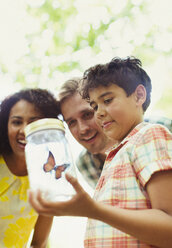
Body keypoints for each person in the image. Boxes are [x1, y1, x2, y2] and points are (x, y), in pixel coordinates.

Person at [29, 57, 172, 248]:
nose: (99, 113)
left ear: (138, 96)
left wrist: (93, 210)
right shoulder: (110, 159)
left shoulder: (152, 133)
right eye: (95, 107)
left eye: (107, 101)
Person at [58, 77, 172, 189]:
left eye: (87, 114)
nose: (83, 129)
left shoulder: (163, 128)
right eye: (72, 122)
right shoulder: (85, 164)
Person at [0, 88, 60, 247]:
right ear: (6, 125)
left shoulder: (48, 176)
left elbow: (39, 243)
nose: (25, 130)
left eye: (34, 122)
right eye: (17, 122)